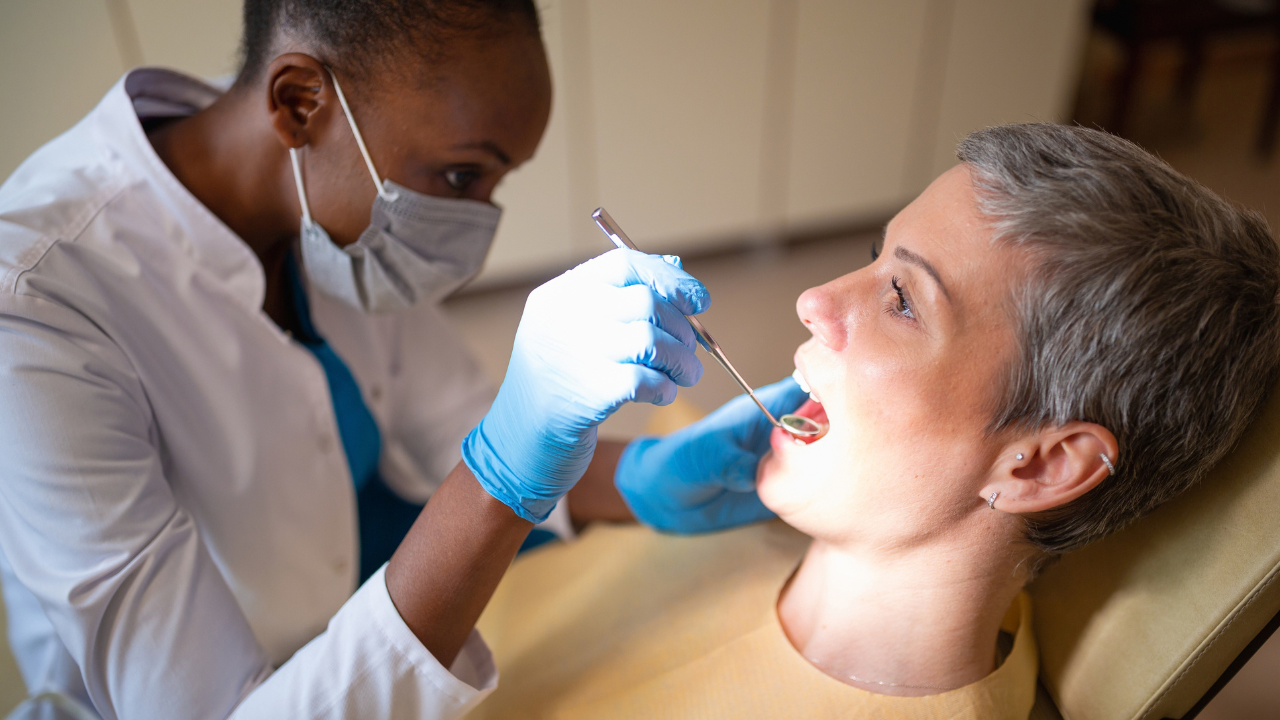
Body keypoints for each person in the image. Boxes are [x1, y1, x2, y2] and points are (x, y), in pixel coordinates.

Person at [0, 1, 797, 718]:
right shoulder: (36, 309)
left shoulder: (326, 168)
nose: (477, 223)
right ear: (298, 101)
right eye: (460, 174)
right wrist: (507, 469)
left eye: (496, 180)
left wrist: (641, 475)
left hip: (349, 562)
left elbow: (450, 422)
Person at [466, 124, 1280, 720]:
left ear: (1041, 465)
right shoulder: (772, 518)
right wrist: (611, 478)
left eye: (901, 300)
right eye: (875, 256)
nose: (814, 301)